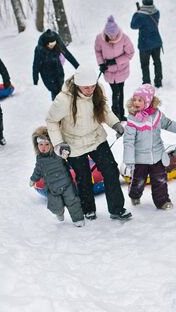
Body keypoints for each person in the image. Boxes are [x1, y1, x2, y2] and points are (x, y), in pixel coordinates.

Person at [45, 65, 132, 221]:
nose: (90, 89)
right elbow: (51, 121)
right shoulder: (63, 100)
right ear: (77, 84)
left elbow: (104, 110)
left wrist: (115, 123)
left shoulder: (98, 91)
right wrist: (59, 144)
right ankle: (88, 209)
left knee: (111, 170)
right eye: (86, 87)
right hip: (74, 142)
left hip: (96, 137)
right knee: (83, 176)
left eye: (92, 85)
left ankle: (117, 209)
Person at [123, 84, 176, 210]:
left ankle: (162, 201)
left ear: (148, 101)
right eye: (135, 99)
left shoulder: (157, 115)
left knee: (160, 179)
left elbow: (168, 124)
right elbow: (128, 141)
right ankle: (134, 195)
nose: (136, 102)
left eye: (140, 100)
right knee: (138, 180)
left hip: (157, 155)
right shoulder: (133, 120)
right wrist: (129, 160)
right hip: (140, 158)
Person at [29, 126, 85, 226]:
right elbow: (38, 170)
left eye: (47, 144)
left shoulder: (57, 153)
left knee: (72, 201)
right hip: (51, 187)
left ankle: (78, 220)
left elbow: (66, 150)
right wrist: (33, 179)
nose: (44, 147)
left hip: (66, 184)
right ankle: (59, 212)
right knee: (55, 206)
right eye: (40, 144)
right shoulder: (40, 159)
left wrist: (65, 152)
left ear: (52, 144)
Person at [94, 15, 134, 121]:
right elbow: (98, 51)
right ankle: (115, 113)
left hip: (122, 70)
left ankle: (120, 113)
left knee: (120, 91)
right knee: (115, 92)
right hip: (109, 71)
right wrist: (101, 63)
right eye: (110, 36)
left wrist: (115, 61)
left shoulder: (124, 38)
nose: (112, 38)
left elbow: (130, 54)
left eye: (114, 35)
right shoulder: (100, 39)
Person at [32, 29, 79, 100]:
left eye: (54, 43)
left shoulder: (58, 44)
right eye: (51, 44)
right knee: (54, 90)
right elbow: (36, 64)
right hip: (46, 74)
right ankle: (56, 104)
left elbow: (68, 54)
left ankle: (64, 105)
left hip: (58, 69)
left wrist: (78, 66)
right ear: (46, 43)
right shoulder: (39, 50)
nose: (53, 46)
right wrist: (35, 79)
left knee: (61, 87)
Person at [130, 0, 163, 87]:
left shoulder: (140, 15)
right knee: (157, 62)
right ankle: (158, 81)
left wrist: (136, 13)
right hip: (156, 42)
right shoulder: (156, 12)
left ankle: (146, 82)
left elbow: (133, 26)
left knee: (145, 64)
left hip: (145, 44)